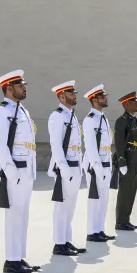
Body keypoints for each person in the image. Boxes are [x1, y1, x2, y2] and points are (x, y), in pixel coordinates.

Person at [0, 70, 40, 273]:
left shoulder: (22, 111)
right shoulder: (2, 111)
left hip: (26, 170)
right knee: (14, 215)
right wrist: (10, 172)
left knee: (23, 215)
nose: (24, 88)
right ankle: (11, 260)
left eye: (24, 85)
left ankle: (19, 257)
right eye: (20, 86)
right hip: (16, 171)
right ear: (9, 89)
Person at [48, 80, 86, 256]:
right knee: (61, 207)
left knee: (70, 207)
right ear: (61, 96)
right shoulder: (57, 116)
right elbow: (56, 146)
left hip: (75, 167)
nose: (74, 96)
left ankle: (67, 240)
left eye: (74, 93)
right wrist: (63, 168)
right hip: (65, 169)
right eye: (71, 94)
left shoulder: (72, 115)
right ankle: (59, 243)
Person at [82, 84, 116, 243]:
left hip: (106, 162)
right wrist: (97, 167)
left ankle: (100, 229)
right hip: (96, 165)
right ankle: (92, 231)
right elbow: (90, 146)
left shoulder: (102, 117)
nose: (105, 98)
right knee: (95, 199)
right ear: (94, 100)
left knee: (103, 199)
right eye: (102, 97)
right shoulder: (90, 119)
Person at [112, 91, 137, 231]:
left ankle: (126, 219)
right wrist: (122, 161)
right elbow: (119, 142)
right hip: (127, 159)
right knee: (125, 191)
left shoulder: (134, 119)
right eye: (134, 102)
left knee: (132, 190)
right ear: (126, 105)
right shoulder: (122, 120)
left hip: (135, 158)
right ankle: (120, 221)